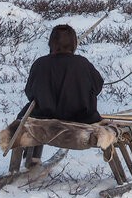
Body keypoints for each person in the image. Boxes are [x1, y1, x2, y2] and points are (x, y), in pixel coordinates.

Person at [17, 24, 104, 165]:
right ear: (74, 44)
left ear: (51, 43)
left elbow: (30, 93)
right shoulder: (83, 64)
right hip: (81, 122)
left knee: (28, 113)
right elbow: (98, 86)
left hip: (43, 122)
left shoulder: (40, 64)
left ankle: (31, 158)